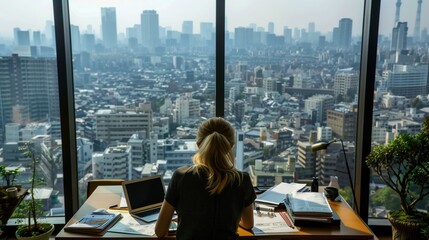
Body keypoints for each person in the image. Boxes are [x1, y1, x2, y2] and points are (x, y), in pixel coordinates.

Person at [155, 117, 256, 239]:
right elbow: (248, 224)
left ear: (198, 145)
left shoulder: (181, 176)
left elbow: (160, 231)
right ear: (231, 146)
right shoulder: (242, 179)